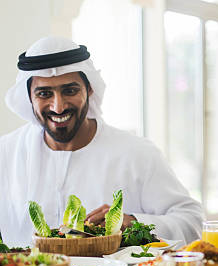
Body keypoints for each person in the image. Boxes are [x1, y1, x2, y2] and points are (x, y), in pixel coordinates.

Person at [0, 36, 203, 247]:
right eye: (44, 93)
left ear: (89, 90)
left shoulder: (136, 153)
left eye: (70, 90)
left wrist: (133, 223)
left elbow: (192, 222)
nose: (58, 107)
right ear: (30, 98)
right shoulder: (6, 153)